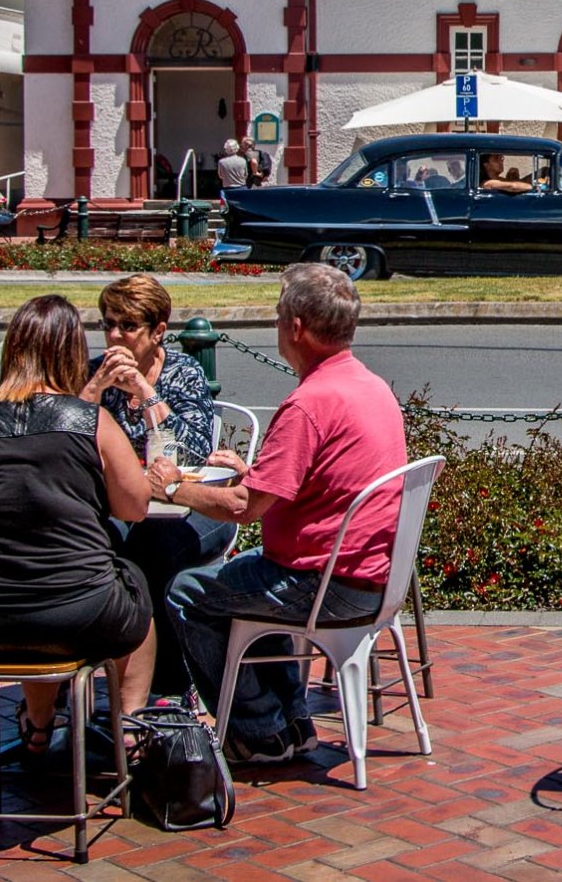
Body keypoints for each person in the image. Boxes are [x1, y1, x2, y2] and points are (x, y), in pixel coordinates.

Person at [159, 264, 409, 764]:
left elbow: (242, 508)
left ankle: (258, 730)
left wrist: (170, 487)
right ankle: (291, 719)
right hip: (372, 579)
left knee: (188, 593)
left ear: (295, 327)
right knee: (239, 584)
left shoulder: (309, 403)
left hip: (323, 586)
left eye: (277, 317)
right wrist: (252, 469)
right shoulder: (370, 385)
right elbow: (314, 480)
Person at [0, 296, 156, 752]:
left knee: (34, 612)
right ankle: (128, 729)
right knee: (135, 585)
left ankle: (39, 727)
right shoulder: (90, 423)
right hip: (78, 612)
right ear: (72, 352)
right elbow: (135, 508)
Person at [83, 275, 227, 698]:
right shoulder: (96, 375)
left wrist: (146, 392)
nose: (114, 336)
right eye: (108, 324)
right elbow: (67, 438)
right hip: (123, 505)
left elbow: (194, 451)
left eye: (127, 326)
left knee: (149, 555)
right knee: (91, 545)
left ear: (158, 331)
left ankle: (165, 688)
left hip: (193, 507)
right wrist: (94, 390)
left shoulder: (183, 373)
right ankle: (101, 673)